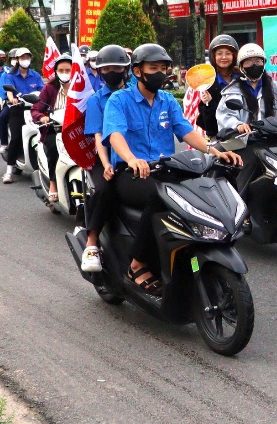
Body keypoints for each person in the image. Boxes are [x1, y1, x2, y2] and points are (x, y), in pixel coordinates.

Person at [102, 43, 241, 296]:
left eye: (163, 68)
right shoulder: (119, 100)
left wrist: (215, 150)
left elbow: (186, 131)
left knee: (200, 190)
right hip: (132, 174)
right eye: (153, 68)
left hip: (165, 170)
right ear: (137, 72)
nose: (159, 73)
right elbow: (115, 135)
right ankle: (138, 264)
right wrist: (132, 159)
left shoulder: (166, 100)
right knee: (161, 196)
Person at [216, 43, 277, 214]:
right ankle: (239, 212)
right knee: (248, 163)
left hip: (273, 140)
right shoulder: (232, 91)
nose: (254, 65)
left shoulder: (274, 87)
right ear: (241, 66)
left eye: (258, 61)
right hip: (246, 142)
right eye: (249, 62)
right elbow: (225, 115)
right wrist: (238, 125)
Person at [79, 44, 128, 273]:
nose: (111, 72)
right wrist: (107, 164)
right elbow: (99, 137)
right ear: (98, 71)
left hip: (136, 156)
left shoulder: (135, 93)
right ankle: (91, 242)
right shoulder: (97, 100)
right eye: (105, 68)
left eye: (116, 68)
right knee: (105, 189)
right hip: (106, 156)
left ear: (127, 69)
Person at [34, 53, 73, 204]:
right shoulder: (49, 88)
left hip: (76, 130)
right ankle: (53, 183)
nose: (64, 73)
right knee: (53, 150)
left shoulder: (80, 88)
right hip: (54, 130)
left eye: (68, 70)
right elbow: (36, 109)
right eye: (61, 70)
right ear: (56, 71)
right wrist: (41, 117)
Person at [0, 47, 43, 183]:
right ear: (17, 60)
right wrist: (12, 98)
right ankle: (8, 171)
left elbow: (42, 90)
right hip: (18, 110)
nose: (25, 60)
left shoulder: (35, 75)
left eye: (27, 57)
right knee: (16, 137)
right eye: (22, 58)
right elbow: (9, 91)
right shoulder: (10, 75)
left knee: (44, 135)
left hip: (34, 111)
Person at [197, 34, 240, 138]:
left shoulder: (242, 79)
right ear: (213, 57)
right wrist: (209, 103)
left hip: (243, 133)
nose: (224, 57)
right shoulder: (208, 82)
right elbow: (209, 126)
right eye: (219, 54)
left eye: (228, 53)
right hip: (219, 136)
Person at [0, 49, 18, 150]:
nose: (16, 61)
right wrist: (12, 99)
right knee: (2, 118)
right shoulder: (6, 74)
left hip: (29, 103)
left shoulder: (32, 74)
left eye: (17, 58)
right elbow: (4, 91)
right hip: (12, 103)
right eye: (13, 59)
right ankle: (4, 143)